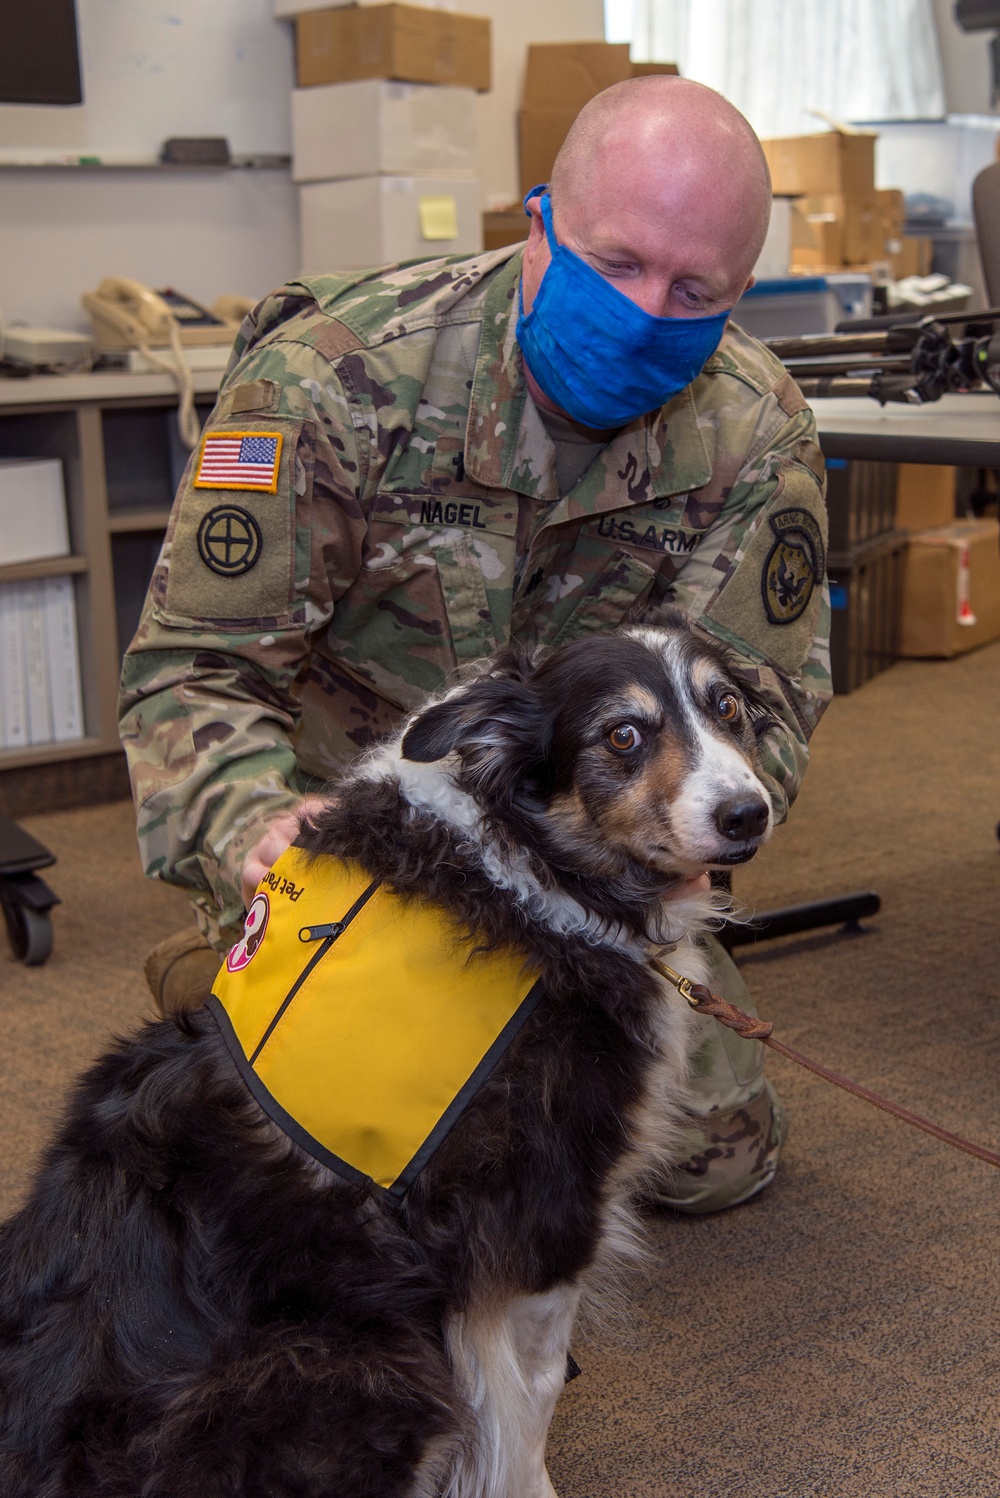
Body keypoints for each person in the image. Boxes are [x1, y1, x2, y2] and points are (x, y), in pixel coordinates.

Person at [120, 75, 832, 1213]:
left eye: (694, 287)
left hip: (599, 845)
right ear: (539, 221)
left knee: (711, 1158)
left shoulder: (753, 429)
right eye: (617, 264)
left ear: (741, 289)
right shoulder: (332, 379)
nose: (649, 310)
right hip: (362, 833)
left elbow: (770, 697)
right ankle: (215, 955)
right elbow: (193, 668)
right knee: (361, 1143)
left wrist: (638, 848)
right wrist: (248, 824)